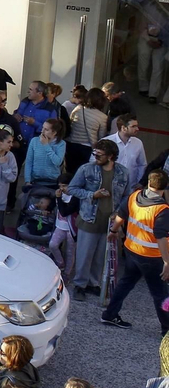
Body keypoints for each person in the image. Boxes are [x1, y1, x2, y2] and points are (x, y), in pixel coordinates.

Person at [101, 169, 169, 334]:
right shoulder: (162, 209)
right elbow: (160, 237)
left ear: (148, 183)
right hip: (152, 258)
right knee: (160, 294)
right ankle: (166, 331)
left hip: (132, 251)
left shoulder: (134, 196)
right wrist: (167, 262)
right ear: (165, 188)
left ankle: (109, 314)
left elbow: (121, 215)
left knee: (125, 283)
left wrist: (113, 231)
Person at [68, 139, 130, 300]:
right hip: (89, 219)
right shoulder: (86, 169)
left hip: (109, 222)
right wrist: (91, 195)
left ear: (110, 156)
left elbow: (127, 196)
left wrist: (119, 213)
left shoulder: (123, 172)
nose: (95, 156)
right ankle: (79, 285)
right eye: (95, 153)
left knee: (101, 256)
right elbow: (72, 188)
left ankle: (93, 284)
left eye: (99, 154)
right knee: (84, 255)